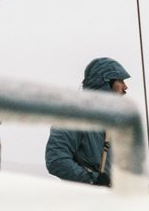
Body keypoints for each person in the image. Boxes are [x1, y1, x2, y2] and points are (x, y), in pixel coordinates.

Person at [45, 57, 129, 186]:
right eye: (121, 81)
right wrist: (93, 179)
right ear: (106, 83)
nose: (125, 87)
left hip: (110, 203)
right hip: (82, 202)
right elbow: (56, 161)